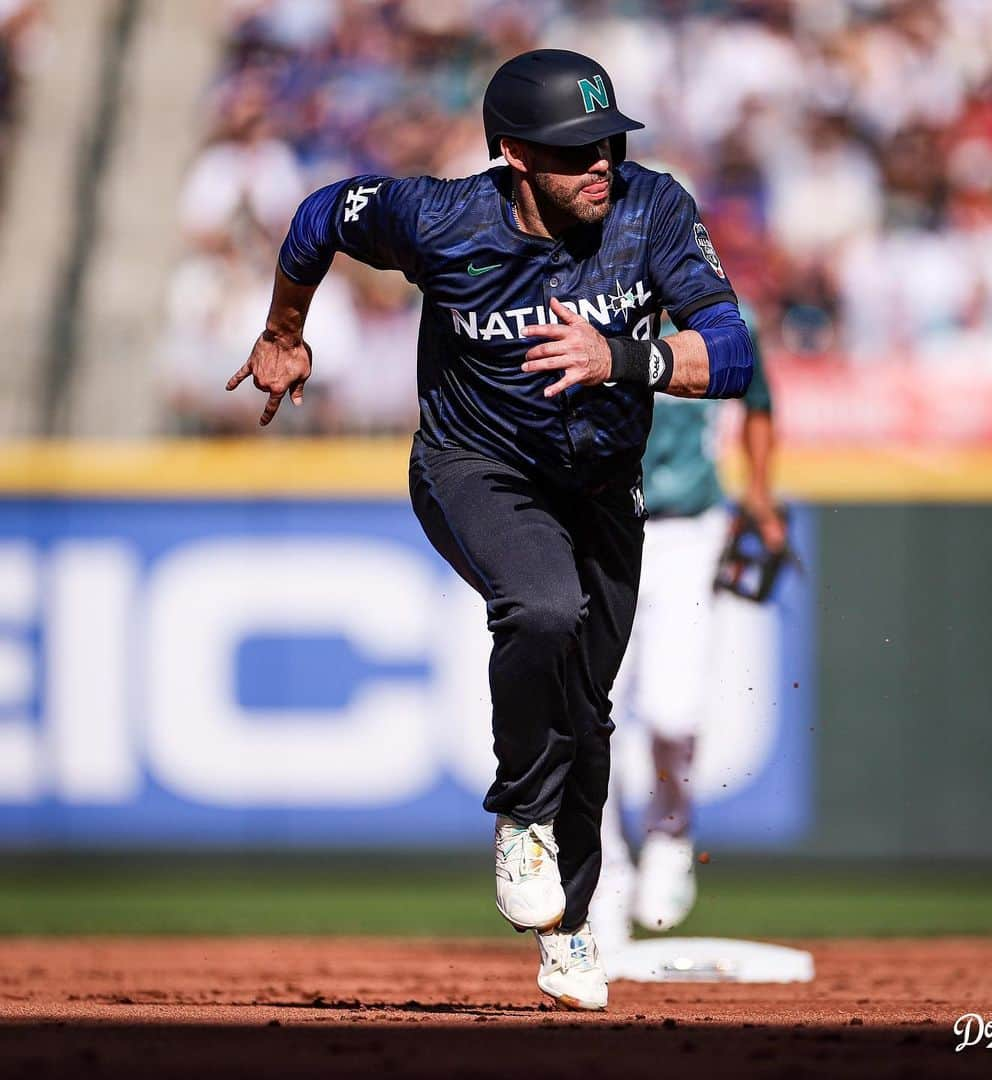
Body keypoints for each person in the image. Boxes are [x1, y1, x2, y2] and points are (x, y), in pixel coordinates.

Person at [225, 48, 754, 1011]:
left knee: (588, 712)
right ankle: (520, 814)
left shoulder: (653, 209)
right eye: (573, 150)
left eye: (608, 141)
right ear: (514, 153)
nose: (601, 162)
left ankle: (572, 929)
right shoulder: (438, 218)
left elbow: (732, 351)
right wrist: (284, 328)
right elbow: (320, 217)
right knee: (543, 607)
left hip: (599, 487)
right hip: (475, 469)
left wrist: (621, 358)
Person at [589, 308, 785, 962]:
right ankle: (604, 878)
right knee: (595, 712)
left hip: (688, 527)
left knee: (673, 705)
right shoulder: (594, 301)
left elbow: (757, 402)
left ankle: (671, 833)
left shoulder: (725, 318)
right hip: (603, 526)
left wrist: (758, 493)